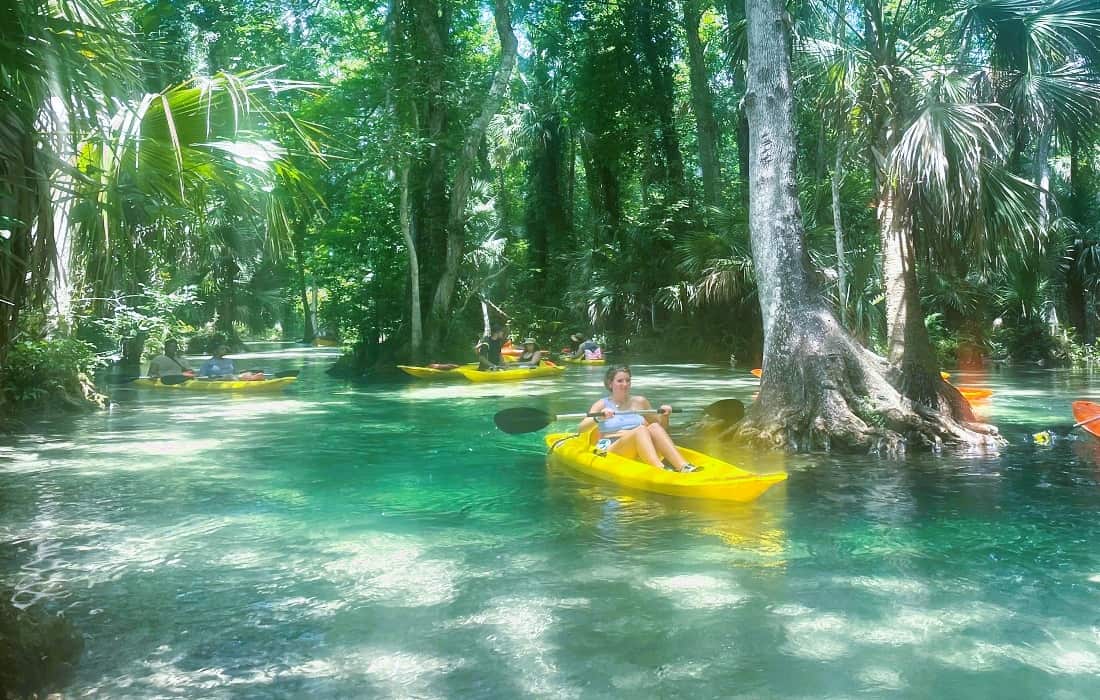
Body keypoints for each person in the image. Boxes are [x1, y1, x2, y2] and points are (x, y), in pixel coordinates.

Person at [577, 365, 697, 472]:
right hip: (611, 449)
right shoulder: (601, 404)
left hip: (641, 443)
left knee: (654, 426)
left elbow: (662, 428)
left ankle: (683, 466)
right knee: (641, 429)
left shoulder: (640, 402)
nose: (625, 384)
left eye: (628, 380)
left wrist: (665, 415)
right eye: (620, 381)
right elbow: (581, 428)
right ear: (610, 383)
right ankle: (659, 469)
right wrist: (599, 418)